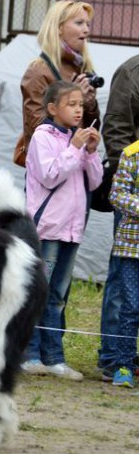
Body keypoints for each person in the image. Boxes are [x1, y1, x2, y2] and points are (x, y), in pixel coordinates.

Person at [21, 81, 103, 380]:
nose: (78, 110)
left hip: (72, 230)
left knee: (57, 295)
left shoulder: (77, 140)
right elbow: (51, 175)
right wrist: (74, 149)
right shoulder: (43, 137)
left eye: (81, 104)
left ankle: (54, 357)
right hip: (48, 229)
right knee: (36, 291)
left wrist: (91, 153)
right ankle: (28, 353)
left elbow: (94, 183)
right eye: (71, 104)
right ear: (53, 109)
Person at [97, 55, 139, 381]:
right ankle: (113, 357)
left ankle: (131, 358)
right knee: (123, 279)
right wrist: (129, 183)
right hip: (134, 198)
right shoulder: (132, 72)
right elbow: (116, 130)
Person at [18, 0, 101, 162]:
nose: (86, 30)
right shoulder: (39, 72)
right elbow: (37, 129)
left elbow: (91, 129)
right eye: (79, 23)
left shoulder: (83, 69)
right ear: (58, 28)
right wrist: (73, 99)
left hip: (79, 167)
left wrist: (90, 106)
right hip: (51, 171)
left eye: (88, 24)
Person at [108, 138, 139, 387]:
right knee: (130, 307)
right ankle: (124, 366)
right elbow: (117, 195)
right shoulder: (132, 154)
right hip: (132, 248)